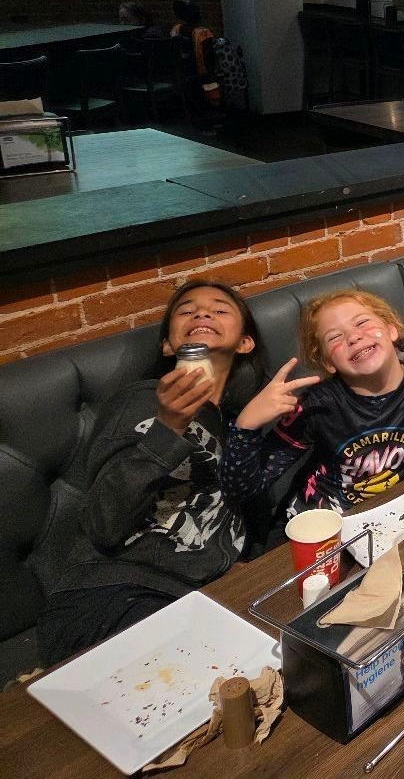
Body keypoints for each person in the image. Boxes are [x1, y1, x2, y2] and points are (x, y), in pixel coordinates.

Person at [37, 281, 264, 665]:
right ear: (168, 346)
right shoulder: (142, 400)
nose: (202, 313)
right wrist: (168, 426)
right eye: (186, 310)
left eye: (220, 309)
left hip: (198, 600)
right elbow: (104, 523)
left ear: (245, 342)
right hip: (115, 593)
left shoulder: (235, 427)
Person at [221, 290, 404, 519]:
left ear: (391, 330)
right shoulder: (317, 405)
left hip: (403, 513)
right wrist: (245, 427)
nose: (353, 337)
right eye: (335, 337)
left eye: (362, 323)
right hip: (327, 525)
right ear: (328, 362)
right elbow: (242, 491)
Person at [169, 0, 221, 109]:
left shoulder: (175, 30)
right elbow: (209, 58)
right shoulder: (203, 33)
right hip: (202, 74)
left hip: (181, 74)